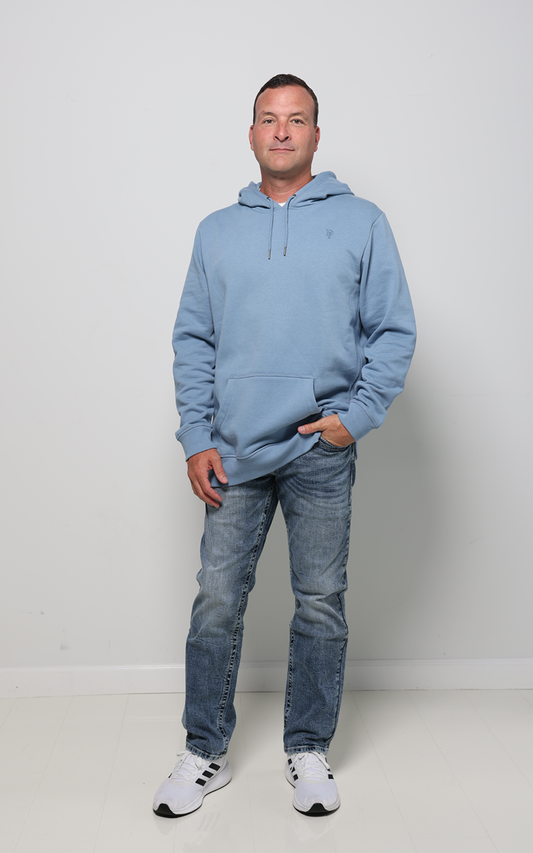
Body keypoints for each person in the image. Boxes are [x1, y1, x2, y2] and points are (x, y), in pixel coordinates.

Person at [153, 73, 416, 818]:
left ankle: (307, 747)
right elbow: (193, 339)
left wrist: (355, 417)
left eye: (296, 119)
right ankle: (203, 750)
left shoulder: (362, 221)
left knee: (320, 603)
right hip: (232, 449)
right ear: (250, 133)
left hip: (319, 448)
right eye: (268, 118)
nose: (281, 131)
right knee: (216, 602)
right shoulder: (215, 230)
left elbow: (393, 328)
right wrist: (196, 436)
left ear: (315, 135)